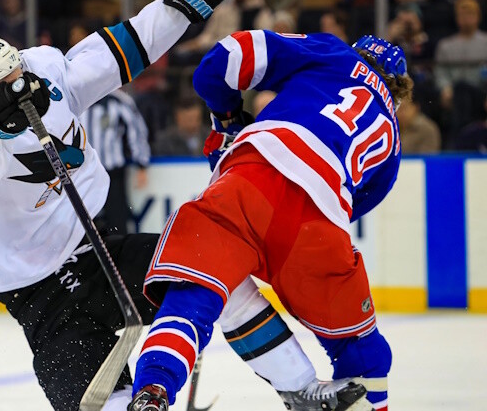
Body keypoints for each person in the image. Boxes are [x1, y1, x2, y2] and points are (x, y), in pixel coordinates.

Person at [0, 0, 245, 409]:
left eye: (20, 68)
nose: (24, 79)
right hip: (40, 295)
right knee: (99, 404)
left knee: (210, 266)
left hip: (98, 250)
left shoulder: (43, 72)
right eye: (9, 80)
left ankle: (296, 384)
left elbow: (124, 49)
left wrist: (180, 7)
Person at [128, 32, 414, 411]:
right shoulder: (392, 143)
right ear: (397, 94)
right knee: (360, 345)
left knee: (198, 291)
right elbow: (347, 207)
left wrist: (227, 117)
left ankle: (154, 389)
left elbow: (222, 60)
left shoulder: (334, 53)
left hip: (251, 175)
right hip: (320, 218)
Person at [81, 90, 151, 234]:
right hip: (81, 173)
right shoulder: (74, 97)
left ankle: (119, 255)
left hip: (112, 172)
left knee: (117, 222)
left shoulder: (119, 100)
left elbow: (137, 131)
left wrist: (142, 163)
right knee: (83, 223)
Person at [434, 0, 487, 135]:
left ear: (478, 17)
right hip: (454, 94)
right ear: (457, 18)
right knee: (458, 90)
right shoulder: (445, 45)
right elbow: (440, 73)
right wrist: (445, 88)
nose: (466, 19)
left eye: (470, 14)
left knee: (462, 89)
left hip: (480, 92)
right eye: (462, 15)